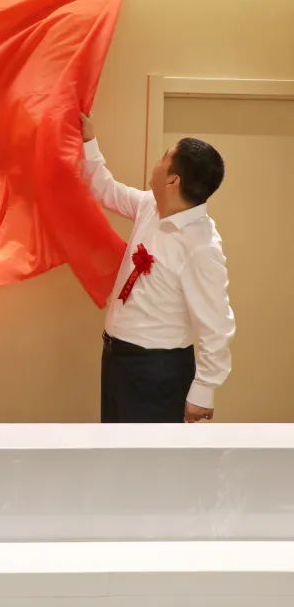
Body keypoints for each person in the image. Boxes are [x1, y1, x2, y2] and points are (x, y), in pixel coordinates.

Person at [80, 112, 235, 424]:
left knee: (149, 455)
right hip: (117, 359)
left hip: (158, 371)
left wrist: (203, 391)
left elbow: (217, 326)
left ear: (173, 180)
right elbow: (105, 189)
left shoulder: (201, 246)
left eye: (163, 159)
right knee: (116, 448)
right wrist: (88, 140)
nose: (156, 163)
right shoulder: (149, 207)